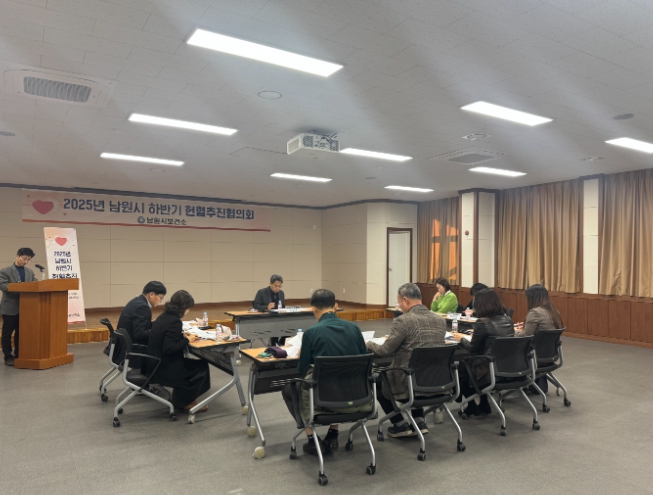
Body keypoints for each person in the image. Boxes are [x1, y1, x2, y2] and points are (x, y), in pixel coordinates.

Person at [281, 289, 369, 455]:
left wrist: (302, 354)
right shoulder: (354, 328)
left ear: (313, 309)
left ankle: (312, 439)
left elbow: (303, 371)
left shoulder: (311, 333)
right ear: (336, 306)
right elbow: (364, 360)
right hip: (354, 396)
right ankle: (333, 434)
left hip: (323, 398)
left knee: (289, 389)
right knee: (340, 376)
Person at [366, 283, 447, 438]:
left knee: (378, 381)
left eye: (398, 302)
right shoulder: (439, 320)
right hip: (436, 380)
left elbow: (385, 350)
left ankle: (399, 424)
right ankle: (419, 421)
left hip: (409, 383)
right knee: (417, 368)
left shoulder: (403, 321)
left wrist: (368, 344)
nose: (399, 306)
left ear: (405, 300)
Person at [145, 290, 211, 412]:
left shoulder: (164, 316)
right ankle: (187, 403)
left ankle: (183, 400)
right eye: (188, 308)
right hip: (164, 368)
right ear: (183, 307)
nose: (188, 311)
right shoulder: (175, 322)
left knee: (196, 365)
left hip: (154, 363)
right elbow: (169, 348)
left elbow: (166, 338)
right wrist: (187, 340)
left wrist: (181, 336)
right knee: (201, 367)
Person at [452, 289, 514, 416]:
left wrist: (460, 338)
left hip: (488, 370)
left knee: (457, 367)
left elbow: (472, 348)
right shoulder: (508, 320)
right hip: (506, 367)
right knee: (471, 366)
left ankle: (472, 405)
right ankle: (484, 402)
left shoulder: (483, 323)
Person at [515, 284, 564, 393]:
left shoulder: (534, 312)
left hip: (535, 356)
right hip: (550, 355)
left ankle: (516, 381)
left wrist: (514, 332)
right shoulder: (553, 311)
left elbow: (526, 336)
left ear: (533, 298)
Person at [0, 248, 38, 366]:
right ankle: (8, 356)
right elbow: (3, 286)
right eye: (24, 258)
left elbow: (35, 284)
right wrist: (21, 287)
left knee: (21, 332)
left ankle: (19, 354)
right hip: (10, 307)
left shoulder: (29, 272)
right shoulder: (5, 271)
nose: (26, 261)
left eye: (28, 260)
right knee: (7, 333)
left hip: (25, 307)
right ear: (17, 256)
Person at [118, 281, 167, 346]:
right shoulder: (142, 307)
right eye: (161, 298)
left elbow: (138, 326)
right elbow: (139, 334)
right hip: (133, 346)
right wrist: (159, 329)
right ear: (151, 294)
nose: (160, 301)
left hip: (124, 344)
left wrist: (154, 324)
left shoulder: (137, 301)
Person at [253, 274, 286, 346]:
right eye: (276, 286)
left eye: (280, 286)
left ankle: (281, 342)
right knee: (276, 326)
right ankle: (274, 344)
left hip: (279, 317)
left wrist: (283, 310)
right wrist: (266, 307)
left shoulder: (281, 293)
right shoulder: (262, 292)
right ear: (270, 284)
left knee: (291, 325)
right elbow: (256, 306)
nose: (278, 288)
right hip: (267, 318)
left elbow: (283, 306)